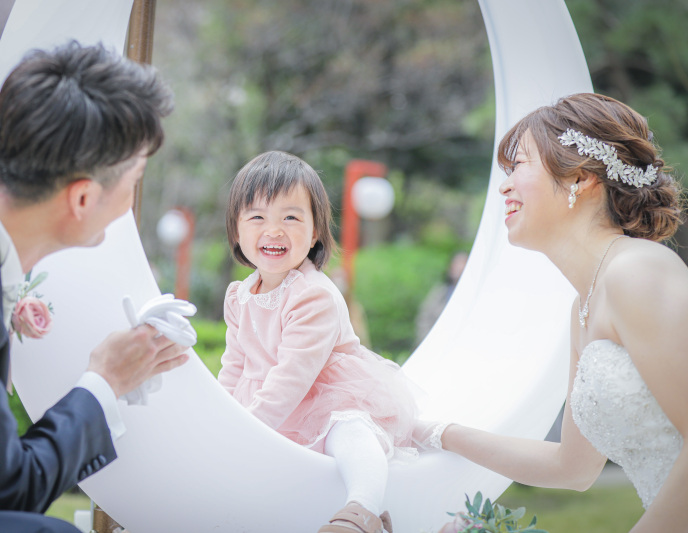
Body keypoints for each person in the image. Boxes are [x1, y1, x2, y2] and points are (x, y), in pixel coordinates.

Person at [0, 42, 190, 533]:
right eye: (135, 179)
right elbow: (10, 489)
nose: (132, 199)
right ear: (83, 197)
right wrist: (104, 382)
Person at [425, 93, 686, 532]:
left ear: (581, 179)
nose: (504, 186)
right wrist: (435, 433)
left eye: (519, 166)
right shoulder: (582, 307)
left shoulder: (637, 272)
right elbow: (573, 467)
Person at [218, 151, 434, 533]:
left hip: (325, 394)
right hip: (266, 402)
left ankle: (362, 509)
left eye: (290, 217)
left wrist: (248, 431)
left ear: (315, 231)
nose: (273, 229)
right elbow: (234, 365)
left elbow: (292, 377)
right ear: (236, 231)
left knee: (351, 432)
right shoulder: (238, 296)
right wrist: (222, 420)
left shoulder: (312, 295)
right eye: (257, 217)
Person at [414, 250, 468, 343]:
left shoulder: (470, 295)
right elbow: (424, 318)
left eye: (462, 264)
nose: (458, 267)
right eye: (455, 264)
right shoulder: (440, 292)